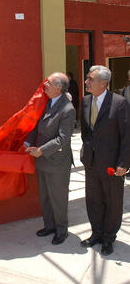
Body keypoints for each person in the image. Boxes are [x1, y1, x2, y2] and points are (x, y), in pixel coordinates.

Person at [80, 65, 130, 256]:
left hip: (112, 164)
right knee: (93, 200)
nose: (86, 82)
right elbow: (86, 132)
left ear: (103, 83)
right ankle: (96, 233)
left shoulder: (119, 103)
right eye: (87, 78)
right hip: (91, 163)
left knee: (112, 201)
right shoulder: (85, 102)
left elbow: (127, 136)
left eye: (90, 79)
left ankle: (109, 238)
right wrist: (85, 152)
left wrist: (124, 163)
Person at [25, 72, 76, 245]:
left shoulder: (67, 109)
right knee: (45, 196)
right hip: (42, 159)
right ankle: (49, 226)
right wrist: (27, 142)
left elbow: (63, 138)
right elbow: (36, 127)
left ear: (59, 88)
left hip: (57, 161)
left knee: (58, 197)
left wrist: (41, 150)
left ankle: (61, 230)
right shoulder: (47, 103)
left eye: (49, 83)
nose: (45, 85)